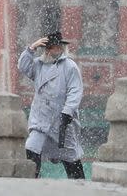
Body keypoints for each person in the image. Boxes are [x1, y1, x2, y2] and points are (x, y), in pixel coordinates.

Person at [17, 31, 84, 179]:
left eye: (51, 47)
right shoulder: (39, 65)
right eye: (46, 48)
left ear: (59, 48)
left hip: (61, 120)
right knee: (31, 147)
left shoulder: (70, 67)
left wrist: (67, 111)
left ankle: (80, 184)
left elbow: (75, 91)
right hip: (40, 118)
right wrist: (31, 48)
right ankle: (32, 179)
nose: (48, 51)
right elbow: (23, 66)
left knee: (70, 156)